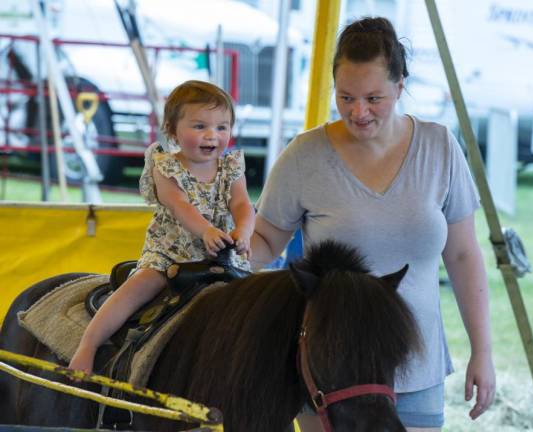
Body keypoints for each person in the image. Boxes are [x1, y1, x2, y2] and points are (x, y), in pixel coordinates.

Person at [251, 17, 496, 431]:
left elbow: (463, 254)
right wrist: (220, 238)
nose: (358, 112)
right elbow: (264, 242)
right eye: (345, 97)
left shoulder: (439, 147)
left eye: (374, 98)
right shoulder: (304, 155)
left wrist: (482, 351)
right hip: (331, 375)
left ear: (401, 87)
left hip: (416, 369)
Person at [69, 80, 255, 374]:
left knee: (259, 297)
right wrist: (205, 230)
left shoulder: (231, 167)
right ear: (171, 130)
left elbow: (243, 204)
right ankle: (88, 346)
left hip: (221, 254)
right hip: (172, 253)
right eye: (199, 126)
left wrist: (243, 231)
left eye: (222, 127)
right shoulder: (166, 167)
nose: (212, 135)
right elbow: (180, 205)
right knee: (142, 285)